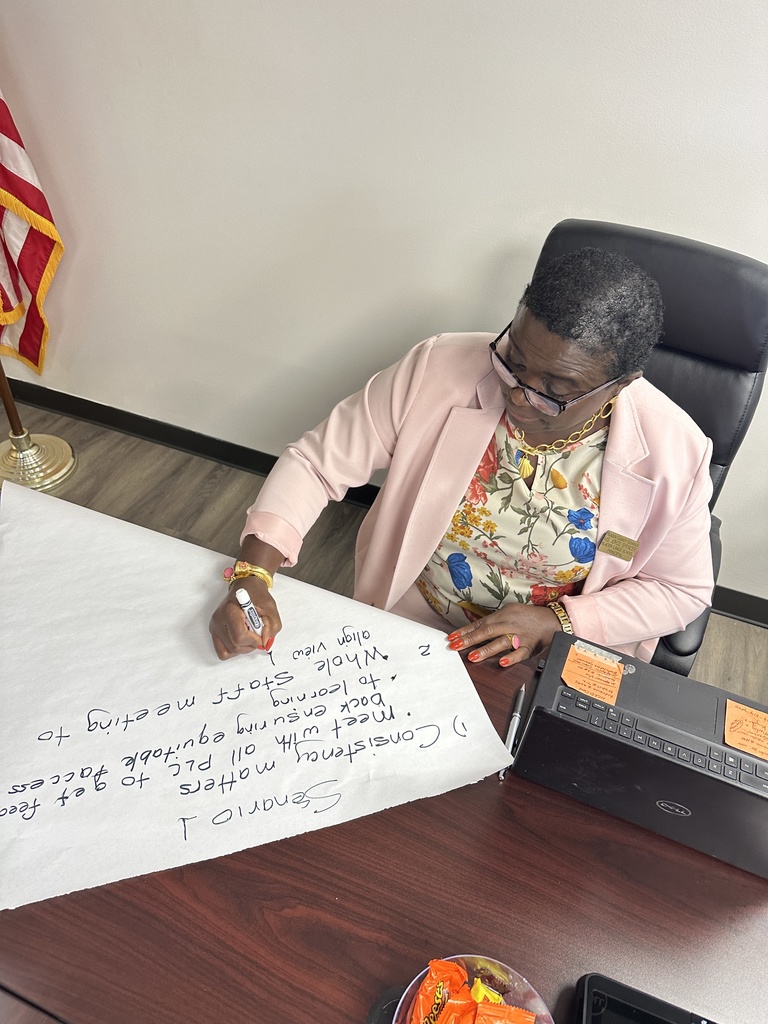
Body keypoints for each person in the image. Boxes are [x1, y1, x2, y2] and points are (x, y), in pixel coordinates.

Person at [210, 247, 713, 668]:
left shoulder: (675, 450)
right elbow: (317, 463)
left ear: (620, 385)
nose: (518, 396)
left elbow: (680, 590)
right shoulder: (439, 365)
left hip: (554, 655)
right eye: (513, 362)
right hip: (413, 621)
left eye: (555, 391)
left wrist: (561, 622)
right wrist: (253, 574)